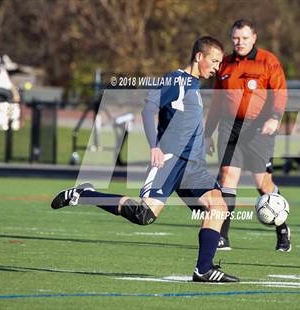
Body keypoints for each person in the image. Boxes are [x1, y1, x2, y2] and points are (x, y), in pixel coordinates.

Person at [51, 36, 239, 282]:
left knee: (219, 207)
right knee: (144, 215)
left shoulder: (194, 85)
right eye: (214, 61)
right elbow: (149, 108)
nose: (217, 67)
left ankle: (204, 269)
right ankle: (83, 195)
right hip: (170, 161)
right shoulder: (176, 80)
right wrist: (154, 146)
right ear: (198, 56)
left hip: (192, 167)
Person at [204, 19, 291, 251]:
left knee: (262, 184)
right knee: (226, 179)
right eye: (235, 38)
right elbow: (216, 102)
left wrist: (274, 117)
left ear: (254, 37)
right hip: (229, 127)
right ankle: (222, 236)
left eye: (244, 38)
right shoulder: (225, 65)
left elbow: (280, 93)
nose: (239, 42)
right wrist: (207, 133)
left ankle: (282, 229)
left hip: (258, 129)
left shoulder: (268, 61)